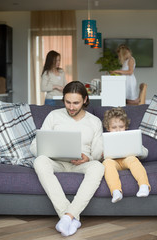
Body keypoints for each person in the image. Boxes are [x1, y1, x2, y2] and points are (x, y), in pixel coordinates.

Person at [30, 81, 105, 237]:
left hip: (81, 164)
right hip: (56, 162)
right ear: (63, 99)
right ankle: (70, 217)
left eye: (76, 103)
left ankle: (67, 217)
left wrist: (88, 157)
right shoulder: (54, 116)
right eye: (67, 102)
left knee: (98, 167)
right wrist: (50, 151)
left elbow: (97, 154)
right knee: (39, 161)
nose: (71, 107)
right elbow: (34, 146)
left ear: (85, 100)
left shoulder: (94, 122)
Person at [102, 107, 151, 203]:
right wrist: (102, 154)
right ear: (108, 128)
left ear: (126, 126)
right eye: (114, 127)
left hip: (127, 160)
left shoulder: (130, 137)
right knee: (107, 163)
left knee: (132, 158)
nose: (118, 130)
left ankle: (144, 186)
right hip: (113, 162)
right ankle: (116, 191)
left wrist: (137, 149)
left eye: (121, 127)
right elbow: (97, 154)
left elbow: (145, 153)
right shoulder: (104, 138)